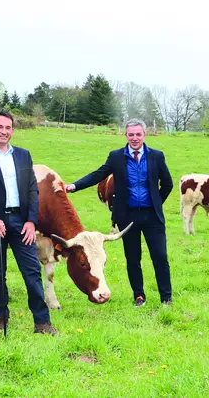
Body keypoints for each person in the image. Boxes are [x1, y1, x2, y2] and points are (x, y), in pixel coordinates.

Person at [0, 110, 57, 335]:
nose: (4, 131)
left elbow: (32, 191)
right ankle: (1, 320)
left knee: (32, 270)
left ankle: (42, 323)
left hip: (20, 222)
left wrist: (31, 222)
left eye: (8, 128)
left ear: (12, 130)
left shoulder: (24, 156)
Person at [65, 119, 174, 307]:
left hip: (152, 217)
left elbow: (168, 184)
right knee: (133, 258)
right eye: (131, 134)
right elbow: (97, 174)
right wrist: (75, 186)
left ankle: (166, 298)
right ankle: (139, 296)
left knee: (160, 257)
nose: (134, 138)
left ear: (144, 136)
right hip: (128, 217)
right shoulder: (116, 157)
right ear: (126, 136)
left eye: (138, 134)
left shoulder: (156, 156)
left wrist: (156, 202)